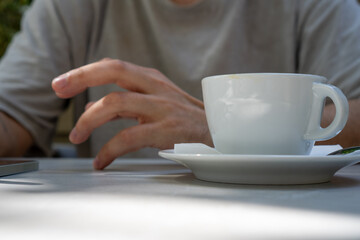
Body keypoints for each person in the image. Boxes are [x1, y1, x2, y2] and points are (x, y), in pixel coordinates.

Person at [0, 0, 360, 170]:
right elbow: (11, 115)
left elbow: (353, 109)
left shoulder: (319, 5)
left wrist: (217, 131)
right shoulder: (70, 7)